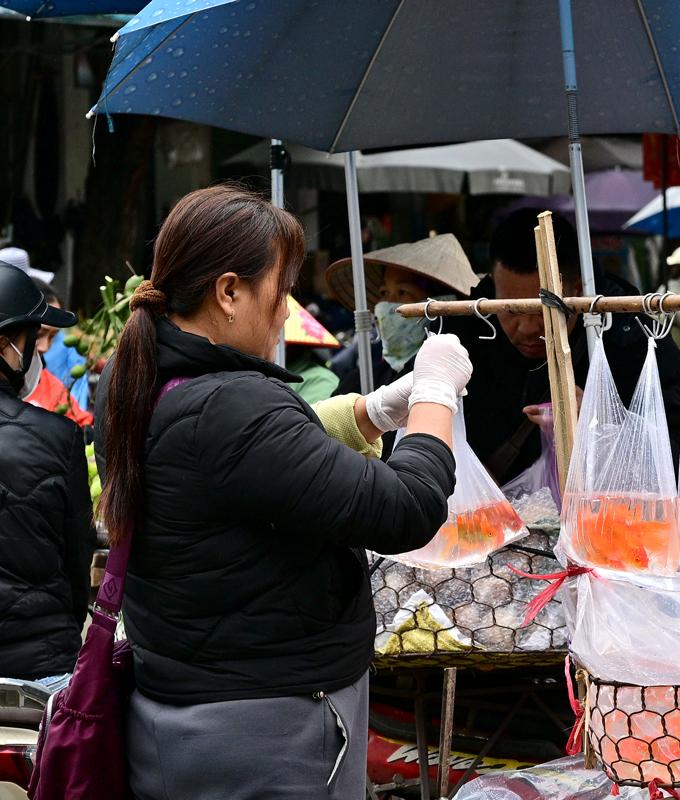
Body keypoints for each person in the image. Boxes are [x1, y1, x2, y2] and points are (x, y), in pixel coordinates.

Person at [92, 185, 472, 799]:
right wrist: (435, 394)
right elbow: (409, 508)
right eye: (281, 287)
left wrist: (368, 414)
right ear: (229, 291)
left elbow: (235, 461)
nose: (287, 309)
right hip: (265, 731)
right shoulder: (231, 403)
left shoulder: (134, 377)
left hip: (176, 713)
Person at [396, 209, 680, 485]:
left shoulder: (632, 336)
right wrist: (465, 470)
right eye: (510, 310)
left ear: (576, 291)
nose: (526, 329)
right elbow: (402, 426)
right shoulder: (462, 330)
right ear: (494, 287)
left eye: (542, 312)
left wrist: (608, 421)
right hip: (481, 526)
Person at [0, 261, 93, 692]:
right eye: (32, 339)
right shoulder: (60, 438)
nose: (38, 351)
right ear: (5, 345)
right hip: (43, 675)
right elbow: (79, 564)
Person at [328, 233, 478, 392]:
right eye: (384, 292)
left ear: (442, 304)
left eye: (402, 292)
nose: (387, 305)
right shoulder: (361, 382)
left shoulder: (464, 378)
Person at [23, 279, 93, 425]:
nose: (45, 348)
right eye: (39, 334)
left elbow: (82, 423)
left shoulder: (48, 384)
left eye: (53, 337)